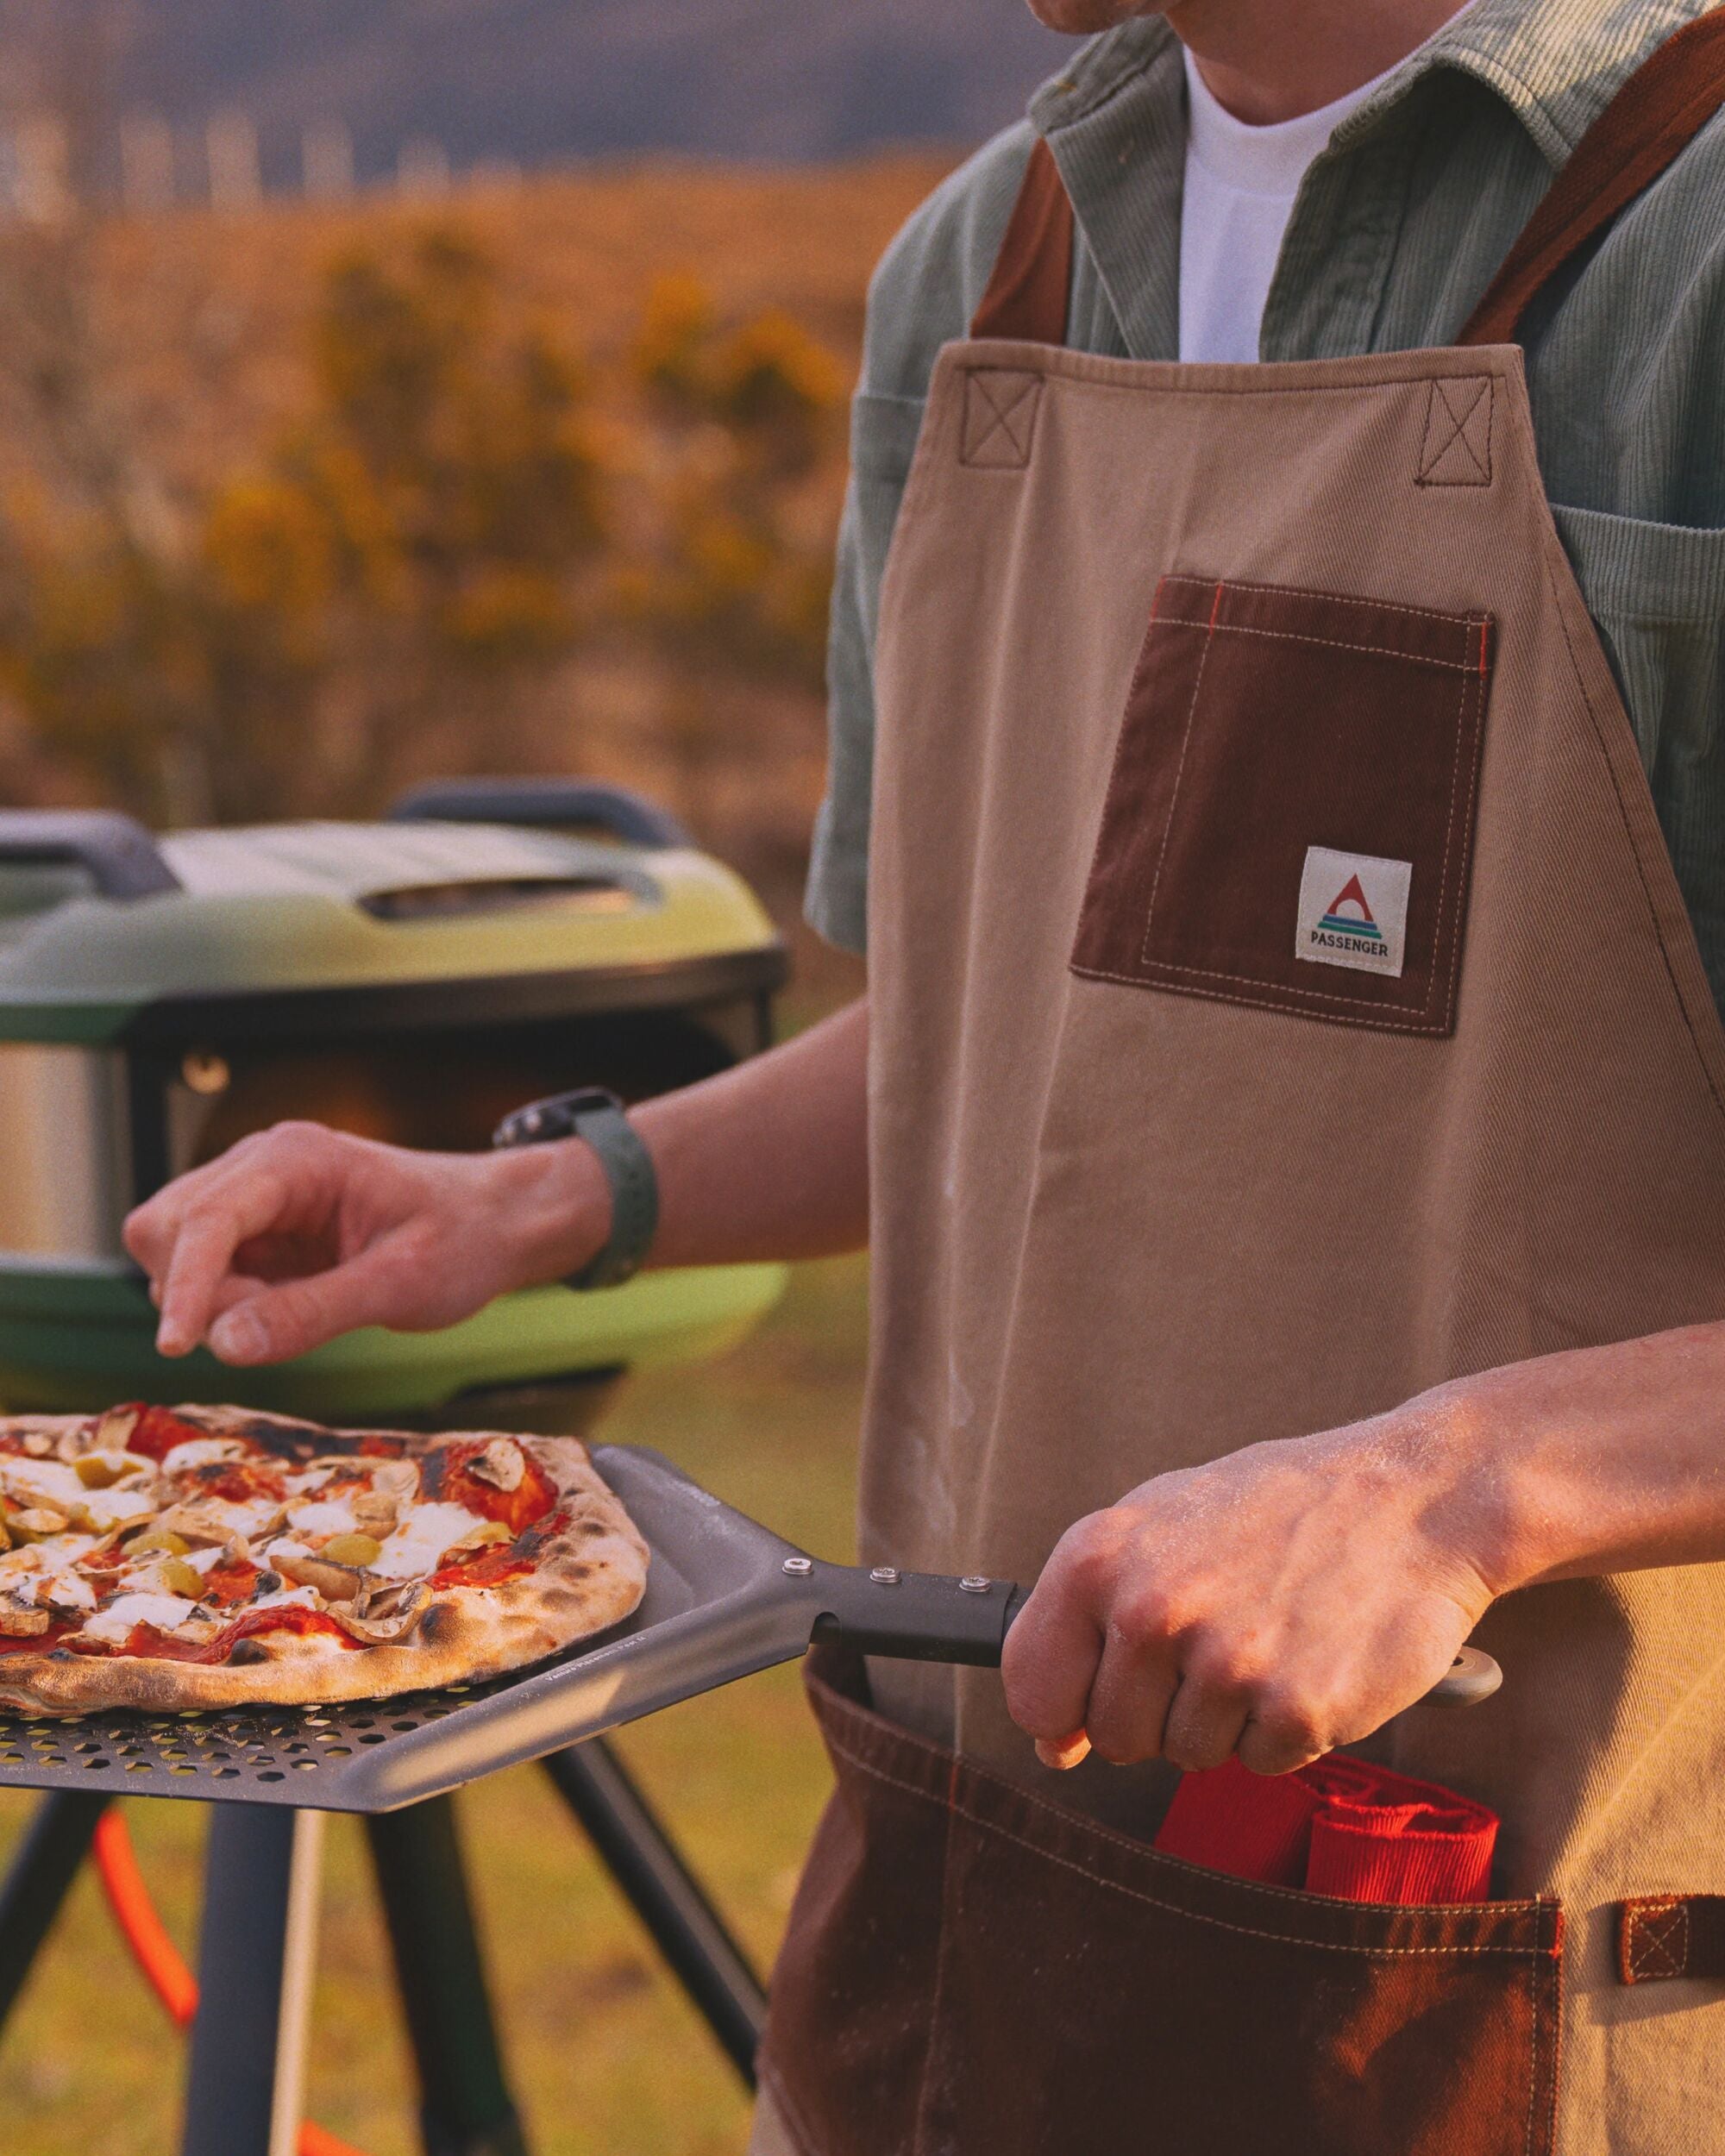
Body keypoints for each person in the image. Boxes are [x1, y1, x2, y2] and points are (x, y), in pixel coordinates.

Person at [123, 0, 1725, 2145]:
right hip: (952, 1938)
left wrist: (1444, 1487)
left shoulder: (1690, 252)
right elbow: (1005, 1025)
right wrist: (539, 1196)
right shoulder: (988, 261)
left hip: (1503, 1994)